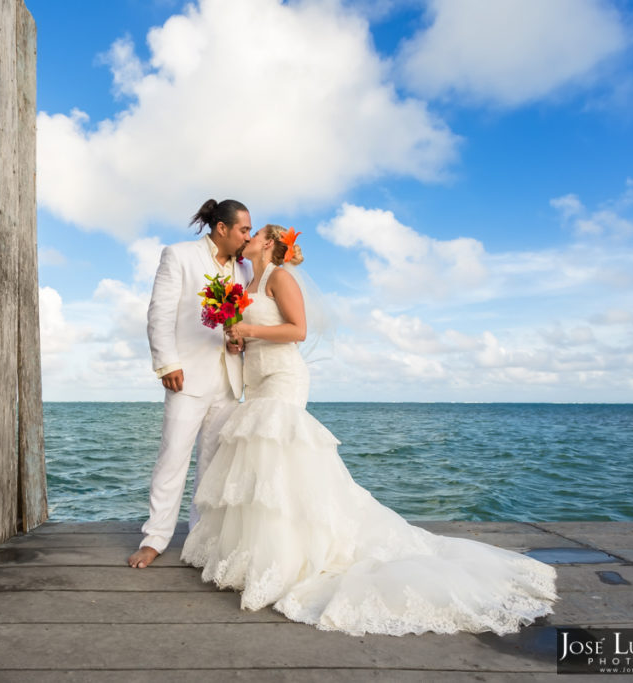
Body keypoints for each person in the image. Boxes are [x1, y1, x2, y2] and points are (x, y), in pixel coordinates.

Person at [180, 224, 558, 635]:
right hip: (254, 378)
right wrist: (236, 339)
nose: (247, 238)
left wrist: (248, 329)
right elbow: (250, 337)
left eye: (255, 234)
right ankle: (256, 552)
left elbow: (298, 331)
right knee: (260, 465)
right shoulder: (246, 282)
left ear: (269, 244)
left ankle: (290, 556)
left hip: (283, 378)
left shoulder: (280, 277)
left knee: (279, 459)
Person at [128, 199, 254, 569]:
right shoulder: (179, 256)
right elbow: (160, 313)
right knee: (173, 459)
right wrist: (167, 362)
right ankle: (155, 539)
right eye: (244, 229)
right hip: (187, 377)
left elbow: (242, 321)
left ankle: (201, 538)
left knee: (213, 467)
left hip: (230, 379)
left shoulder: (244, 271)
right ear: (222, 229)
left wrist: (238, 340)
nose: (247, 236)